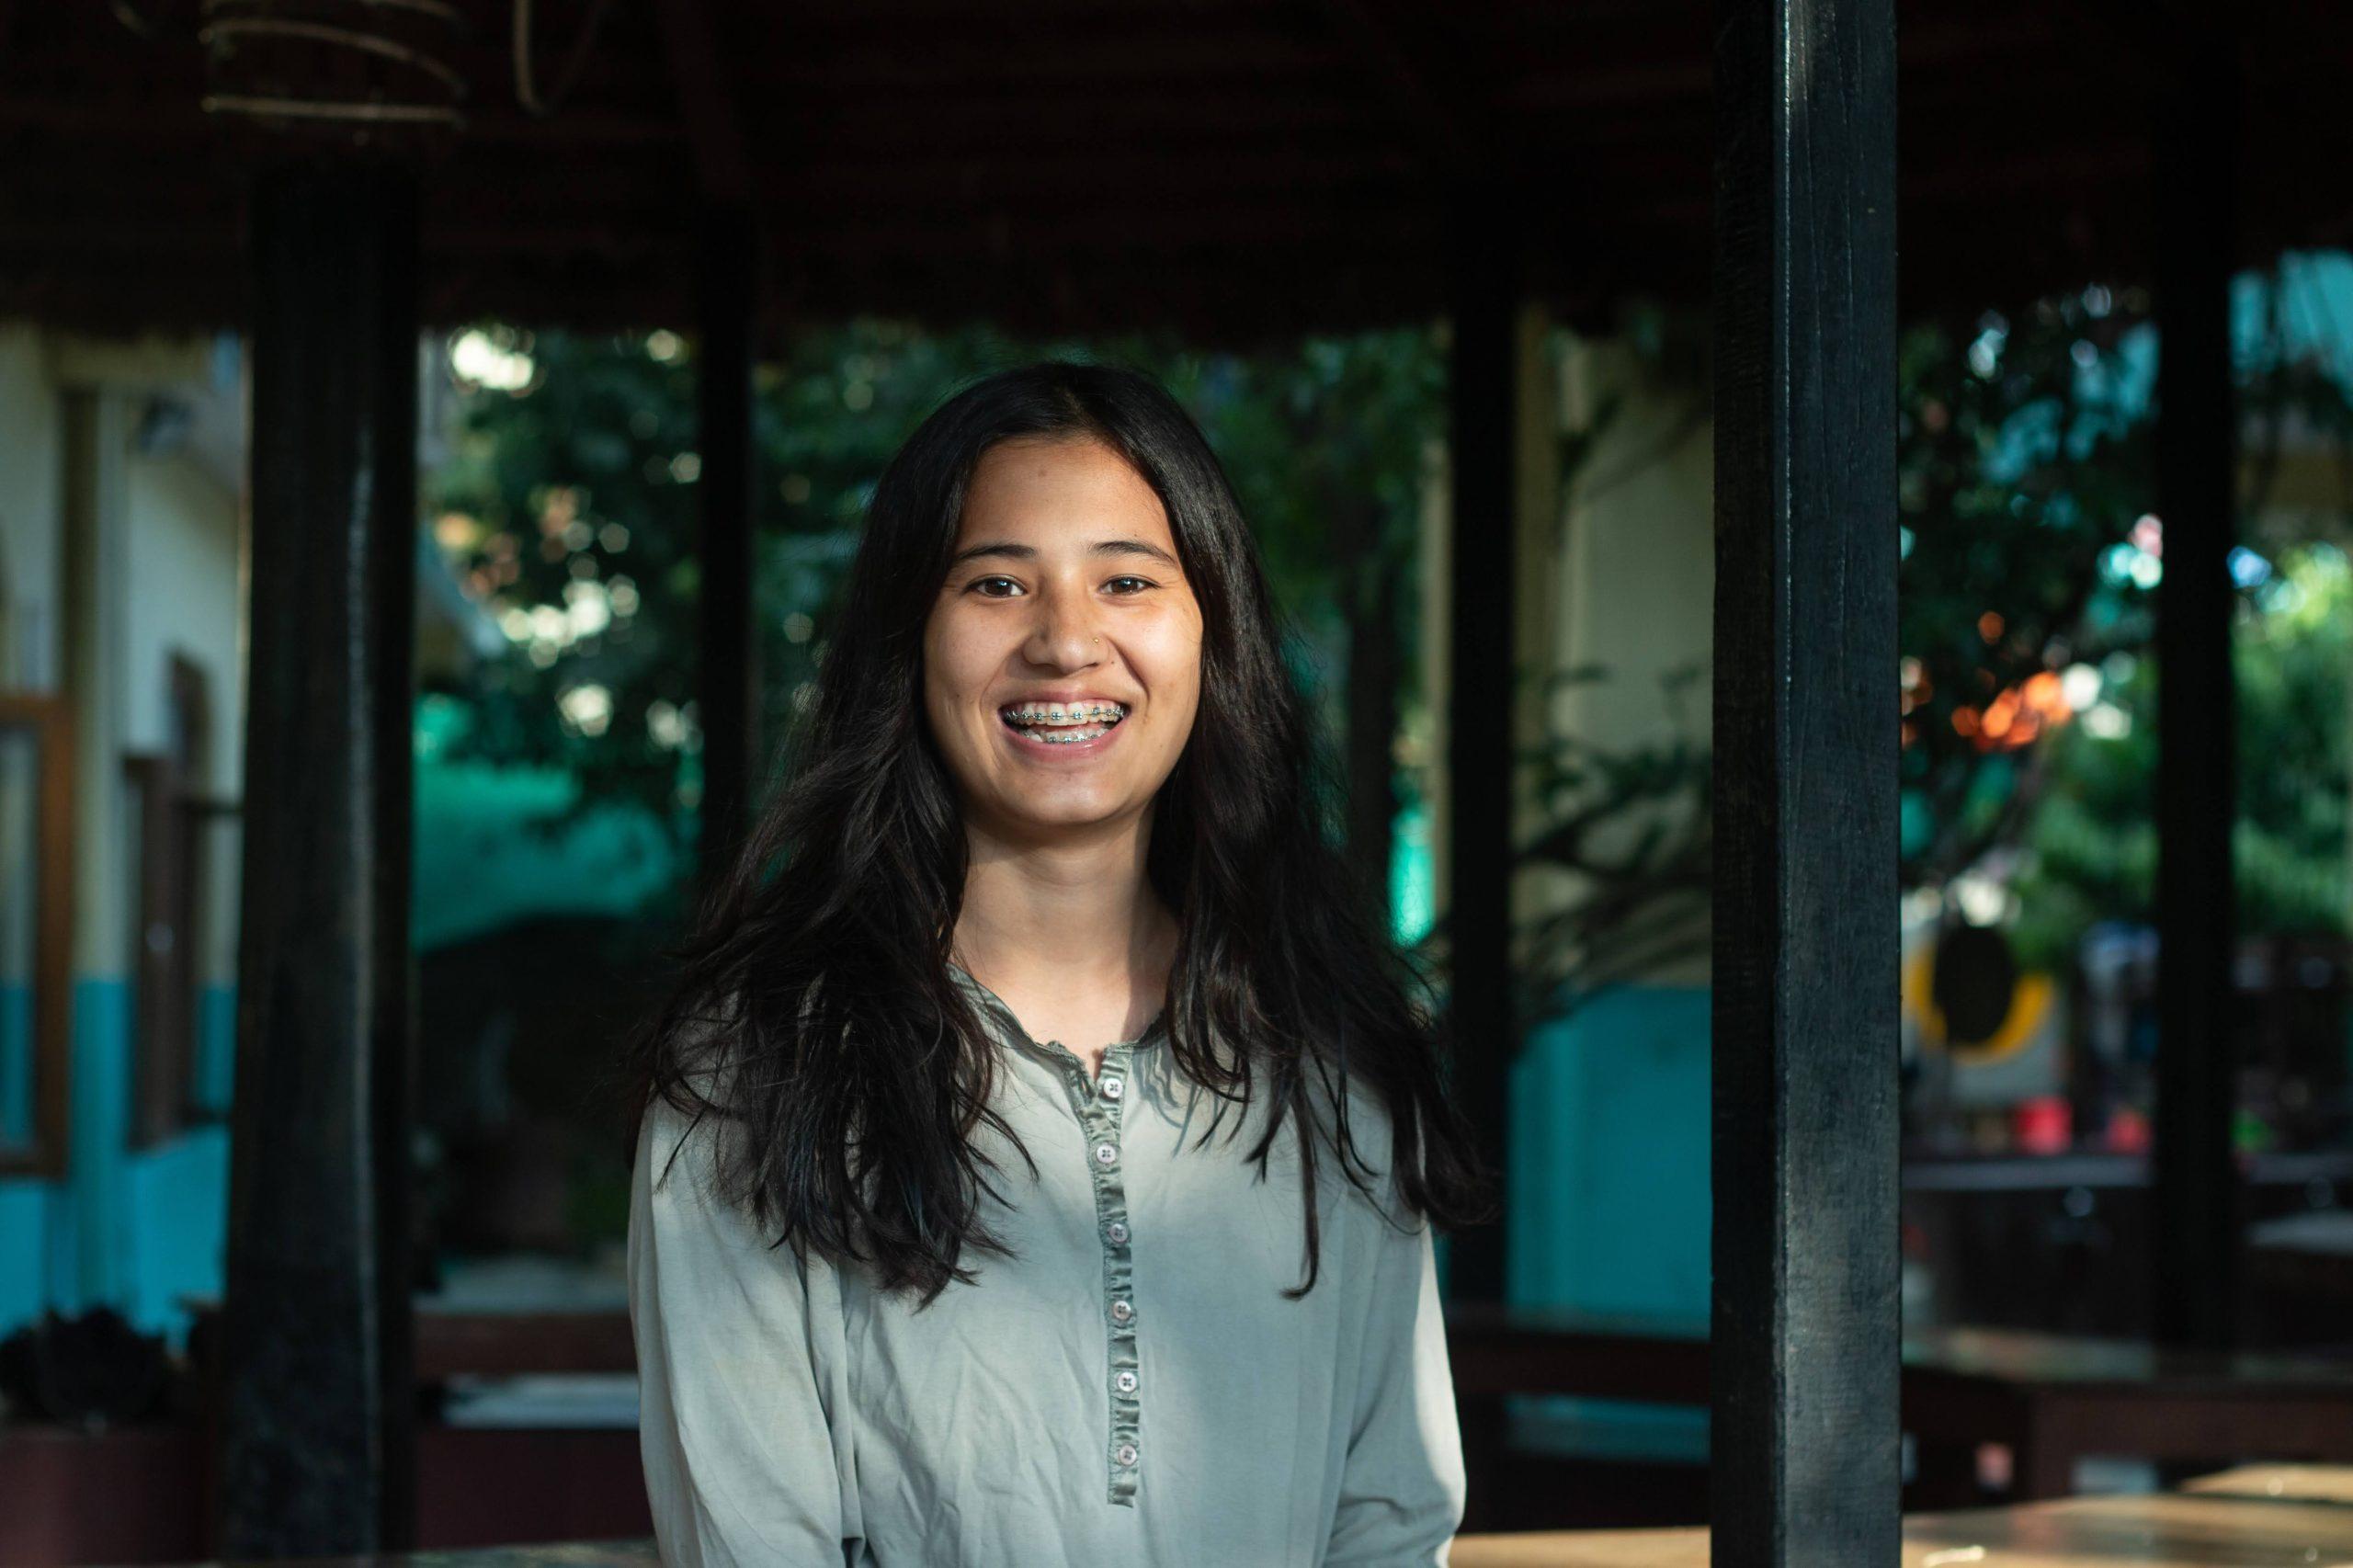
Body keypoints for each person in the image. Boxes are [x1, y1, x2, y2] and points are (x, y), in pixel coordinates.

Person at [625, 360, 1486, 1566]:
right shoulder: (756, 1071)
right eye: (997, 581)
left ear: (1211, 631)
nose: (1066, 641)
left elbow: (1392, 1519)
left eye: (1127, 579)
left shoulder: (1334, 1061)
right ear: (910, 635)